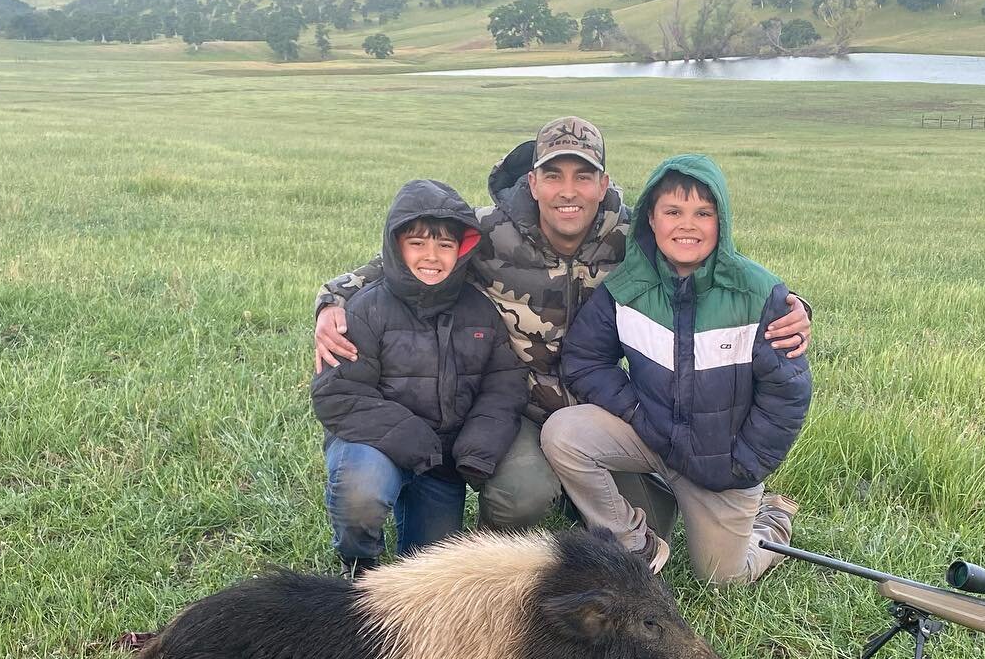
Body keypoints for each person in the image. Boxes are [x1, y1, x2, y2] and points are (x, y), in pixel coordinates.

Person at [313, 118, 812, 533]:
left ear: (603, 183)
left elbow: (709, 260)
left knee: (652, 528)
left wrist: (790, 305)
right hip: (514, 401)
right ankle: (496, 567)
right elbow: (405, 263)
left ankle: (738, 507)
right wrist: (333, 302)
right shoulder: (489, 232)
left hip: (606, 404)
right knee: (521, 495)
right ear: (533, 182)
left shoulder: (633, 235)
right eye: (553, 176)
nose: (567, 191)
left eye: (582, 176)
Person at [541, 155, 812, 584]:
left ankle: (772, 519)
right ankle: (636, 546)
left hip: (723, 465)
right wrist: (636, 413)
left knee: (722, 577)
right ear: (651, 218)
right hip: (654, 438)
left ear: (721, 221)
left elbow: (787, 392)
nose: (687, 225)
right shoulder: (626, 288)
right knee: (564, 433)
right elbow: (584, 358)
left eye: (703, 213)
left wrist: (745, 464)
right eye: (673, 212)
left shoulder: (760, 294)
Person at [311, 179, 527, 576]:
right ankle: (358, 563)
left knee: (431, 570)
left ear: (461, 250)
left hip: (440, 460)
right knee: (361, 492)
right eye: (417, 243)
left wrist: (477, 448)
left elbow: (504, 384)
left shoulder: (480, 310)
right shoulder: (363, 309)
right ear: (396, 245)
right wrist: (412, 439)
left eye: (445, 245)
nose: (432, 256)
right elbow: (337, 394)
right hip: (375, 444)